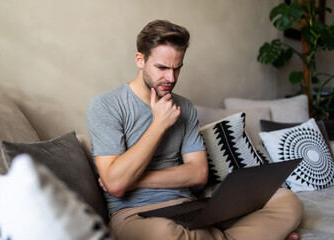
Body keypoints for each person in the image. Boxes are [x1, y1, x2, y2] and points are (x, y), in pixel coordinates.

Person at [87, 20, 303, 240]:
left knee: (286, 199)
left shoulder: (185, 107)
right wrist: (159, 124)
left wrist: (132, 179)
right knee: (166, 234)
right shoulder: (106, 106)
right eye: (162, 68)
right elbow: (115, 185)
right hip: (134, 215)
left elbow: (199, 174)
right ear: (140, 60)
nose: (171, 78)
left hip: (186, 206)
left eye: (177, 68)